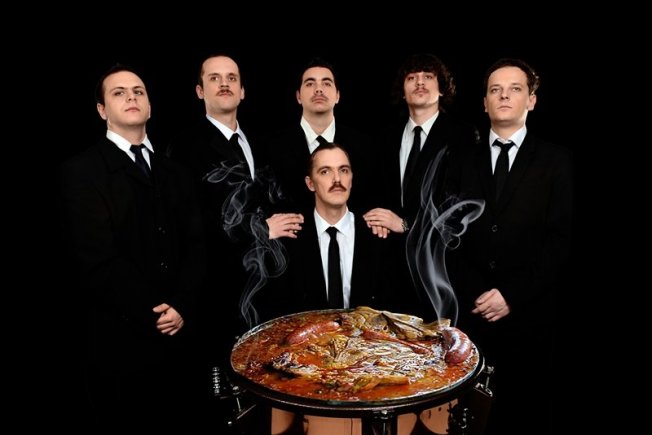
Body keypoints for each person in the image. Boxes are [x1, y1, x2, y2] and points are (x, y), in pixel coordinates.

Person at [59, 64, 205, 432]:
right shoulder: (83, 171)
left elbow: (197, 246)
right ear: (102, 110)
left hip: (182, 337)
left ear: (150, 106)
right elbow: (96, 257)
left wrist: (182, 305)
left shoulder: (177, 172)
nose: (131, 98)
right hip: (121, 343)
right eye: (119, 92)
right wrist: (153, 311)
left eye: (138, 91)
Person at [167, 54, 302, 431]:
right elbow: (188, 223)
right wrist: (259, 228)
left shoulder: (259, 141)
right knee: (226, 407)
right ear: (200, 91)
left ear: (242, 91)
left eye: (231, 78)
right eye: (214, 78)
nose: (224, 83)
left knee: (270, 399)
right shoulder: (184, 147)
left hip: (266, 290)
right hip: (218, 292)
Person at [448, 58, 573, 434]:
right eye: (495, 90)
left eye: (515, 89)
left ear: (531, 100)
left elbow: (560, 241)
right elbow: (448, 235)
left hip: (530, 320)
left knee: (524, 416)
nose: (504, 96)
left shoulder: (556, 161)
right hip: (472, 316)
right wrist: (478, 292)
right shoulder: (460, 161)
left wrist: (511, 295)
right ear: (484, 102)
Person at [270, 142, 393, 435]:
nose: (337, 179)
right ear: (310, 183)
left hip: (368, 372)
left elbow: (390, 313)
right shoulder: (289, 238)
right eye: (325, 171)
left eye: (344, 170)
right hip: (305, 375)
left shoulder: (377, 235)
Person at [363, 53, 479, 319]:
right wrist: (378, 219)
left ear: (442, 89)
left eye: (428, 77)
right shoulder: (385, 137)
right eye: (412, 78)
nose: (419, 82)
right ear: (403, 92)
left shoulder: (462, 135)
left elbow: (459, 205)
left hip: (438, 271)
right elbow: (375, 192)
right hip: (391, 269)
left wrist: (406, 224)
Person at [264, 57, 373, 216]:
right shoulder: (272, 147)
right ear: (298, 96)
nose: (318, 89)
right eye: (310, 84)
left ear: (337, 96)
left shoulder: (364, 146)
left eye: (326, 83)